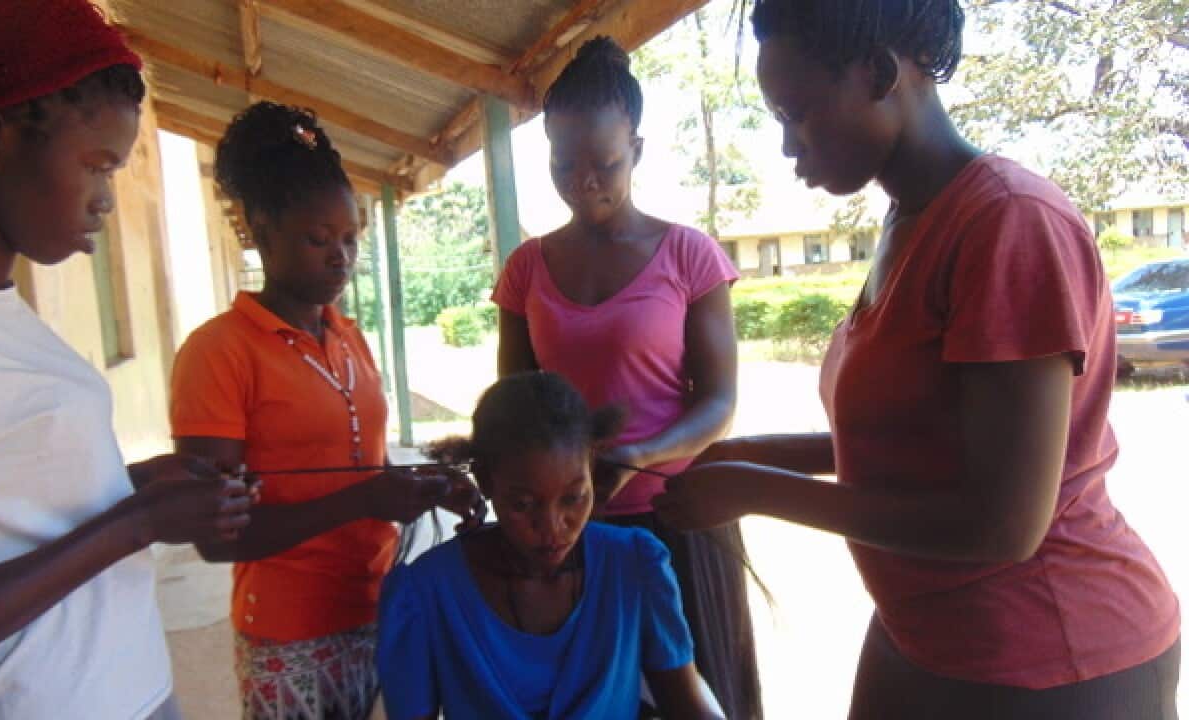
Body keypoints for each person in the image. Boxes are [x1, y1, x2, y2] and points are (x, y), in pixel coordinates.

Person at [654, 1, 1182, 718]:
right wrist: (759, 454)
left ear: (877, 72)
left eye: (798, 111)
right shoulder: (910, 219)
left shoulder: (1008, 221)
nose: (788, 146)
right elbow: (929, 441)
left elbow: (1004, 524)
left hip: (1050, 652)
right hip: (926, 630)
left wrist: (754, 490)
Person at [0, 1, 252, 717]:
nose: (104, 200)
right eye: (97, 165)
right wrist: (131, 524)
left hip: (129, 691)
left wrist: (135, 488)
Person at [169, 101, 476, 720]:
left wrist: (424, 484)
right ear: (261, 229)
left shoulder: (349, 338)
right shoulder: (219, 351)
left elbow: (364, 465)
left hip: (377, 605)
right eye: (318, 239)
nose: (340, 256)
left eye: (349, 240)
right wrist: (365, 499)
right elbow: (214, 536)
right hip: (290, 633)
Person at [492, 35, 762, 718]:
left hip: (679, 516)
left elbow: (720, 401)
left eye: (605, 163)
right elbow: (512, 410)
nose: (584, 181)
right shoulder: (526, 269)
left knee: (697, 694)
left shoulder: (688, 256)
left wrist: (642, 453)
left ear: (636, 151)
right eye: (563, 163)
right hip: (570, 530)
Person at [376, 371, 724, 720]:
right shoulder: (424, 592)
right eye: (524, 504)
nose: (552, 526)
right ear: (484, 480)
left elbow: (685, 701)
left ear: (592, 467)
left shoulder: (635, 566)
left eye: (573, 498)